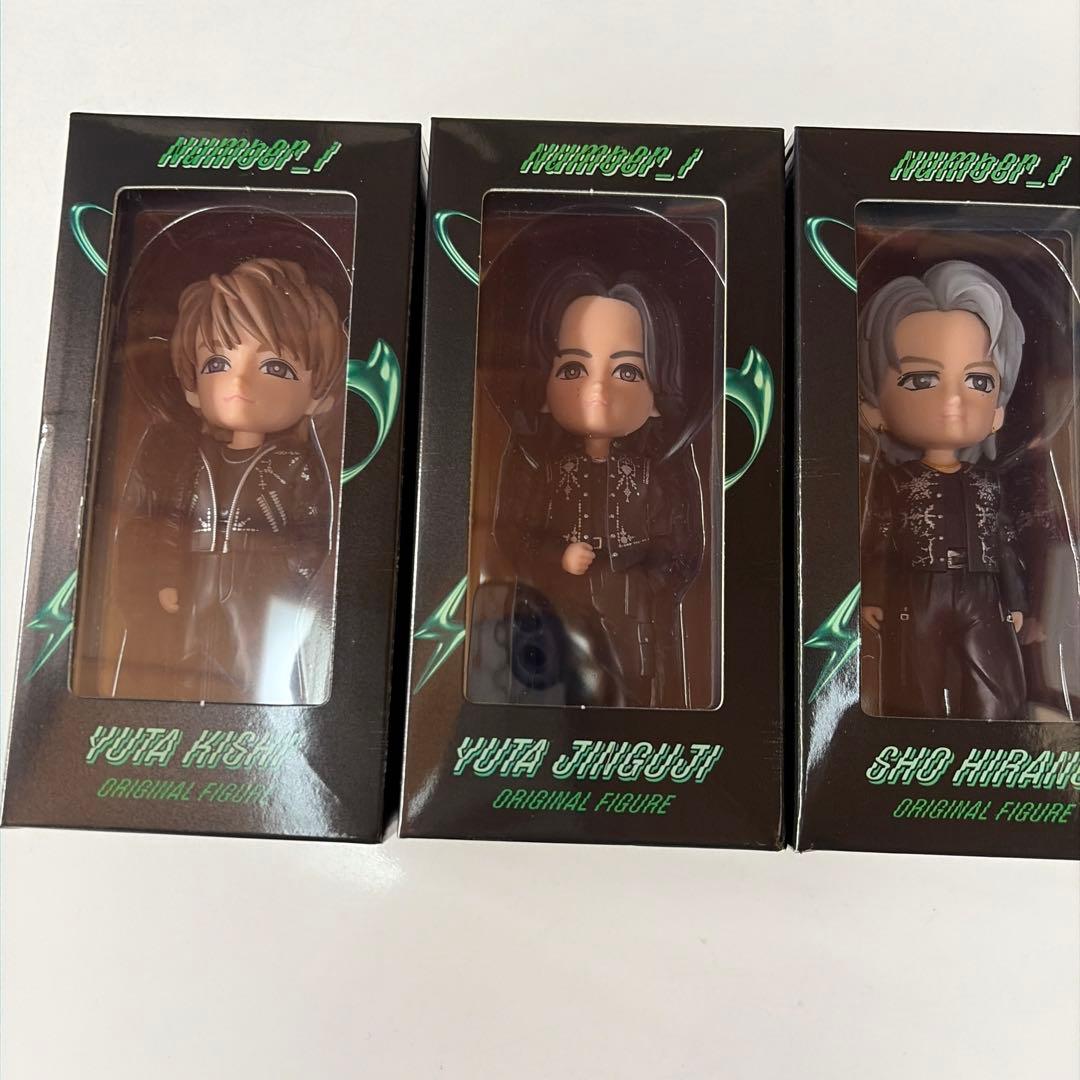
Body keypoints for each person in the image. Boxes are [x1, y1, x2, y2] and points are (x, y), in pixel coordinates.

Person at [115, 257, 346, 704]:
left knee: (254, 666)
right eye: (217, 362)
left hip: (263, 582)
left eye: (276, 368)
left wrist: (294, 580)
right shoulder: (188, 460)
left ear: (317, 394)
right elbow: (167, 521)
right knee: (183, 661)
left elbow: (315, 529)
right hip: (196, 573)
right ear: (191, 386)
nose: (239, 381)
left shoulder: (295, 465)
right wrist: (164, 573)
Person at [492, 263, 704, 708]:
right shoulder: (551, 473)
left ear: (657, 396)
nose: (598, 391)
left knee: (635, 686)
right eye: (573, 369)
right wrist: (558, 558)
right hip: (565, 608)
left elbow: (679, 545)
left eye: (627, 372)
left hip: (634, 613)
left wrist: (645, 582)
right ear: (544, 385)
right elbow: (517, 536)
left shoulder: (649, 475)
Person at [858, 259, 1027, 720]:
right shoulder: (896, 480)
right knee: (915, 686)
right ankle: (917, 742)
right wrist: (874, 594)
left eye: (979, 381)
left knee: (997, 687)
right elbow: (878, 540)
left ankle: (996, 743)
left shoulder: (987, 482)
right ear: (873, 410)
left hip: (981, 588)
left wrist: (1015, 601)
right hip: (917, 588)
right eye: (920, 380)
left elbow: (1004, 542)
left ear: (997, 411)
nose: (953, 401)